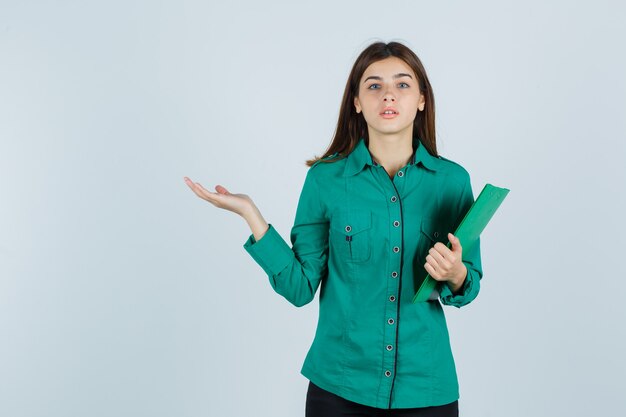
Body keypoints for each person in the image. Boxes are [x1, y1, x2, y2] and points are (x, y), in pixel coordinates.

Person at [184, 40, 482, 417]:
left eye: (402, 84)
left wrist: (456, 275)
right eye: (374, 85)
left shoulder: (452, 182)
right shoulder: (325, 180)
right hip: (339, 389)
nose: (388, 95)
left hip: (427, 388)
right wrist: (251, 214)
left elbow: (469, 285)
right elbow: (299, 287)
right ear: (356, 101)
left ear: (422, 98)